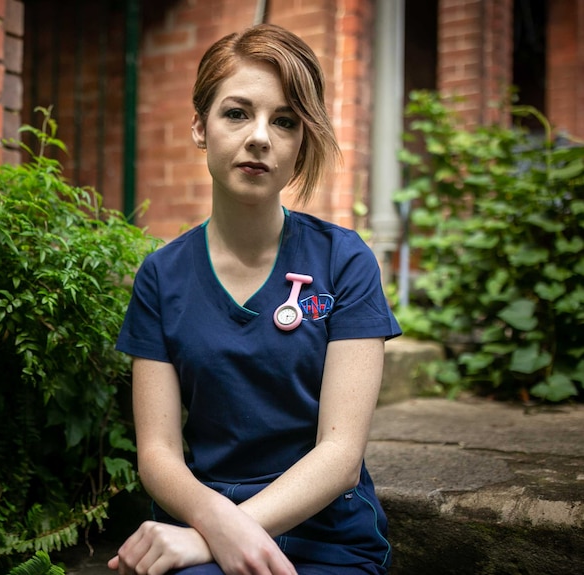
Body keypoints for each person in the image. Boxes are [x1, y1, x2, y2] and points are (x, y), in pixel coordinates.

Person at [108, 23, 401, 575]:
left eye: (284, 121)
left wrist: (215, 535)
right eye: (237, 113)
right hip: (204, 517)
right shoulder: (160, 277)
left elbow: (339, 458)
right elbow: (158, 454)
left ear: (301, 140)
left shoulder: (345, 260)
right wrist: (214, 526)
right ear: (200, 126)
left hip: (327, 530)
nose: (261, 136)